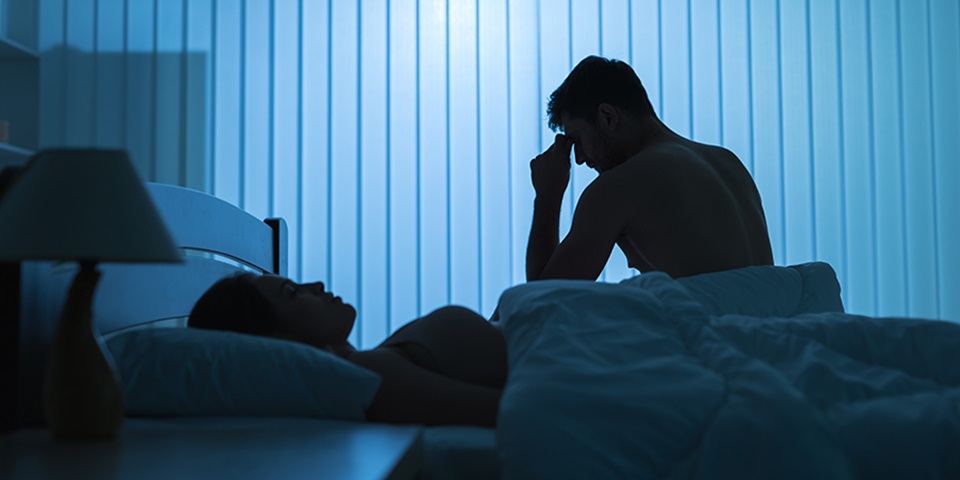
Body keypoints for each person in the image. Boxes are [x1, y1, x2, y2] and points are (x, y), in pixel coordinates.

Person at [527, 55, 774, 281]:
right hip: (770, 325)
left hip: (713, 328)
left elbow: (540, 303)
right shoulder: (728, 163)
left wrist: (548, 197)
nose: (579, 159)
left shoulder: (620, 186)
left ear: (607, 116)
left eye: (577, 139)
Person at [188, 273, 506, 427]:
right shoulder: (371, 374)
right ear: (278, 340)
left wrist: (545, 200)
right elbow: (513, 408)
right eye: (293, 292)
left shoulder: (381, 361)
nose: (315, 285)